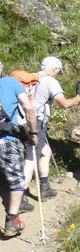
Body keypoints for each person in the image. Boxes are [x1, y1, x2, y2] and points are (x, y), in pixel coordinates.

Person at [19, 57, 80, 213]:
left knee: (45, 151)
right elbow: (64, 104)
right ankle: (19, 197)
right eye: (58, 72)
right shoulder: (49, 81)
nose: (57, 75)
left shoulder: (31, 78)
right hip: (36, 123)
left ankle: (44, 187)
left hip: (22, 122)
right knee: (30, 159)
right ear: (54, 69)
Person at [0, 60, 38, 237]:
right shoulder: (12, 83)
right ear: (1, 69)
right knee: (16, 179)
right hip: (7, 140)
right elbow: (29, 109)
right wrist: (33, 133)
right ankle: (12, 220)